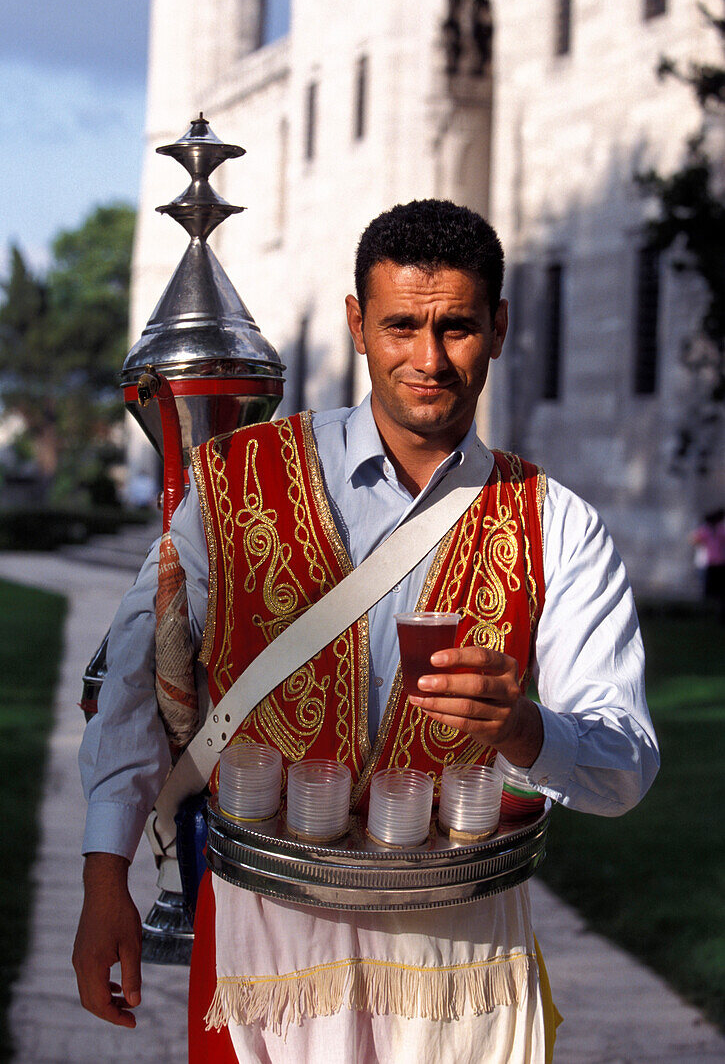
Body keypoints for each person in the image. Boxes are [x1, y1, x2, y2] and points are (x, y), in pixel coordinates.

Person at [73, 200, 659, 1063]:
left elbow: (624, 766)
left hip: (458, 951)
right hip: (268, 939)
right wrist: (103, 879)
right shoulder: (238, 483)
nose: (428, 359)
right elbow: (131, 679)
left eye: (457, 327)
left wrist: (526, 728)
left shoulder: (553, 522)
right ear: (355, 324)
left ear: (498, 328)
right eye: (400, 326)